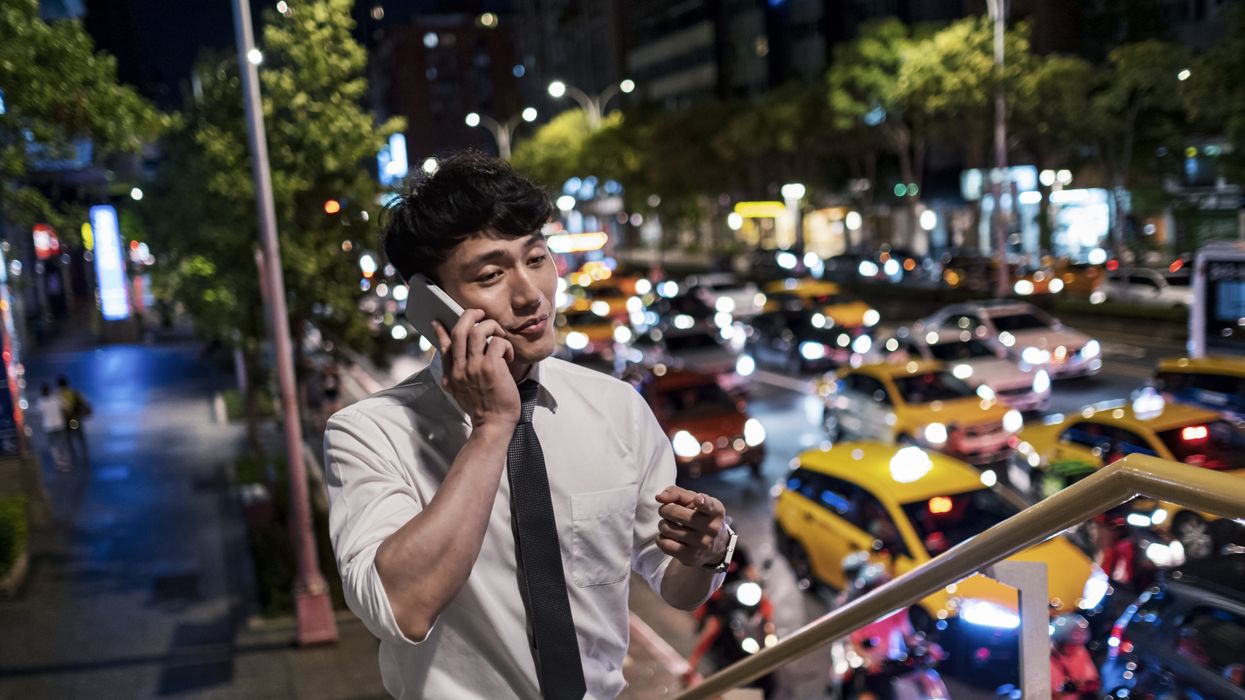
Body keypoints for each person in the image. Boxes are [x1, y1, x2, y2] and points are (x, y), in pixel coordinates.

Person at [324, 151, 734, 699]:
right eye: (491, 274)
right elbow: (402, 609)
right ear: (431, 304)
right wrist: (493, 428)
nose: (530, 294)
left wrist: (705, 555)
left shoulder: (617, 408)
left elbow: (676, 587)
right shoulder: (368, 434)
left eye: (537, 258)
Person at [56, 375, 90, 466]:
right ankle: (85, 456)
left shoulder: (59, 396)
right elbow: (83, 402)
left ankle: (73, 457)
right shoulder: (73, 392)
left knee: (69, 439)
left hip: (66, 421)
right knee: (80, 438)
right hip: (76, 419)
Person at [34, 384, 68, 469]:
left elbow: (38, 413)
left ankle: (58, 461)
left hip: (48, 426)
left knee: (52, 445)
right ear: (50, 391)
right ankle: (65, 460)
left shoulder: (40, 401)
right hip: (59, 424)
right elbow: (66, 406)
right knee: (61, 443)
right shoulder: (56, 398)